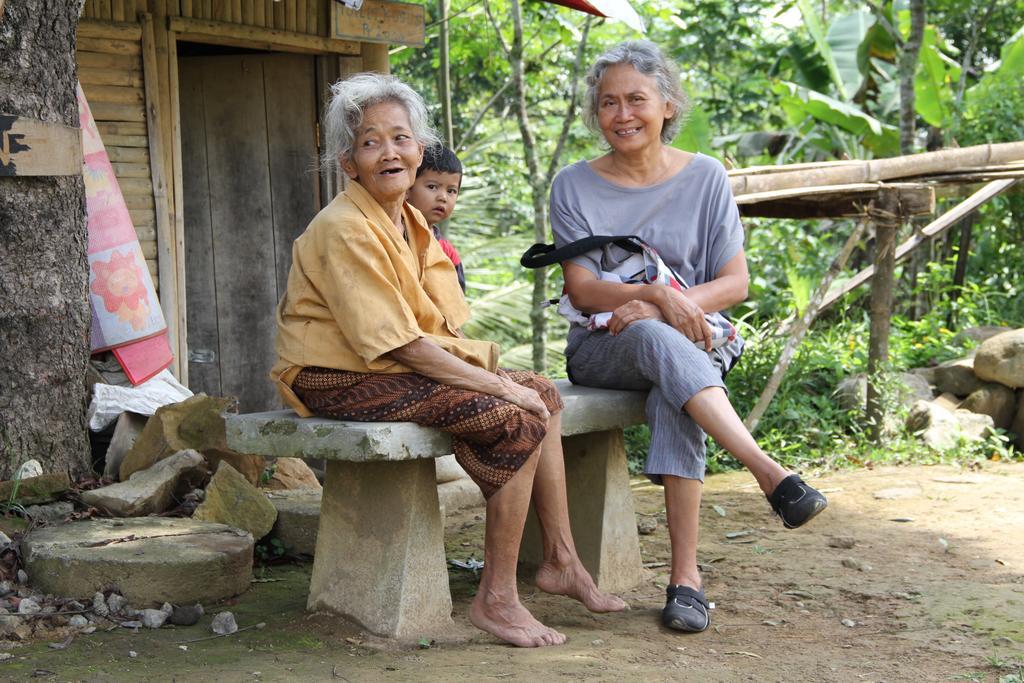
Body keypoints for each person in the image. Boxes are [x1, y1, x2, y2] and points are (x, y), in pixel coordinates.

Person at [271, 73, 626, 648]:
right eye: (370, 142)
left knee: (543, 392)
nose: (389, 152)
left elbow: (439, 323)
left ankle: (561, 558)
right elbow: (400, 345)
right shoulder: (342, 227)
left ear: (419, 147)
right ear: (348, 162)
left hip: (387, 367)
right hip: (334, 377)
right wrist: (501, 389)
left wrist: (509, 381)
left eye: (401, 138)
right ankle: (497, 599)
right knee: (517, 414)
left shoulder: (408, 220)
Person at [549, 40, 828, 634]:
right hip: (602, 347)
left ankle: (685, 582)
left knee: (671, 381)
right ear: (595, 115)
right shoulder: (573, 186)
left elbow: (734, 284)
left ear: (668, 106)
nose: (622, 114)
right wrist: (650, 297)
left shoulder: (706, 177)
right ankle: (768, 472)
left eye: (636, 99)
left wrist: (667, 304)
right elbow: (583, 291)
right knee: (654, 340)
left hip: (693, 338)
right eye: (607, 103)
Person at [407, 143, 467, 292]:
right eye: (432, 187)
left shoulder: (447, 253)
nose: (443, 197)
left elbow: (456, 302)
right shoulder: (393, 233)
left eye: (451, 191)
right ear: (408, 187)